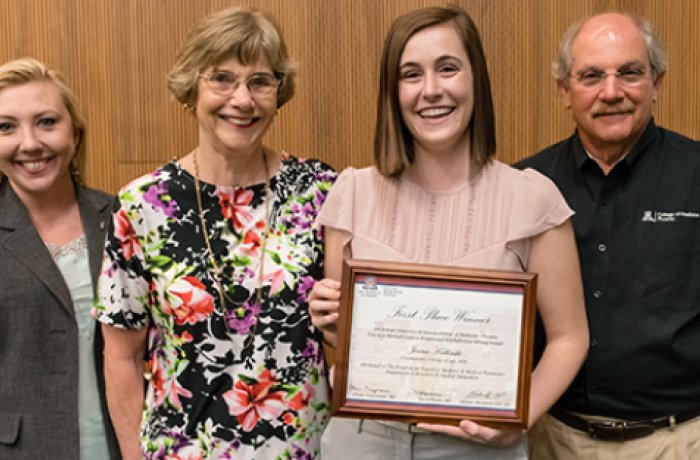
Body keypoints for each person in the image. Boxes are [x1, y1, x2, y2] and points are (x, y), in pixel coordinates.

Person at [309, 6, 589, 459]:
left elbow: (570, 338)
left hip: (478, 448)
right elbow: (344, 344)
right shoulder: (352, 193)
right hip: (363, 441)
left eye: (448, 68)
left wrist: (517, 419)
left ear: (475, 77)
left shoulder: (533, 199)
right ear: (392, 91)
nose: (431, 90)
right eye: (410, 74)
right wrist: (330, 322)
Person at [93, 6, 336, 459]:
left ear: (279, 93)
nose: (242, 99)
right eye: (221, 78)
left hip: (301, 450)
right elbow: (121, 357)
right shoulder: (142, 206)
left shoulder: (319, 192)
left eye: (260, 81)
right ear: (191, 88)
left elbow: (347, 331)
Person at [516, 12, 700, 460]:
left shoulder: (696, 173)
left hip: (678, 442)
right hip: (552, 440)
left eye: (630, 73)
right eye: (592, 76)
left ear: (656, 83)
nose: (611, 92)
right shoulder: (524, 185)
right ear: (565, 91)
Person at [0, 58, 118, 459]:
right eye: (6, 127)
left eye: (47, 121)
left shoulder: (122, 220)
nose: (30, 143)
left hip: (123, 445)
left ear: (76, 134)